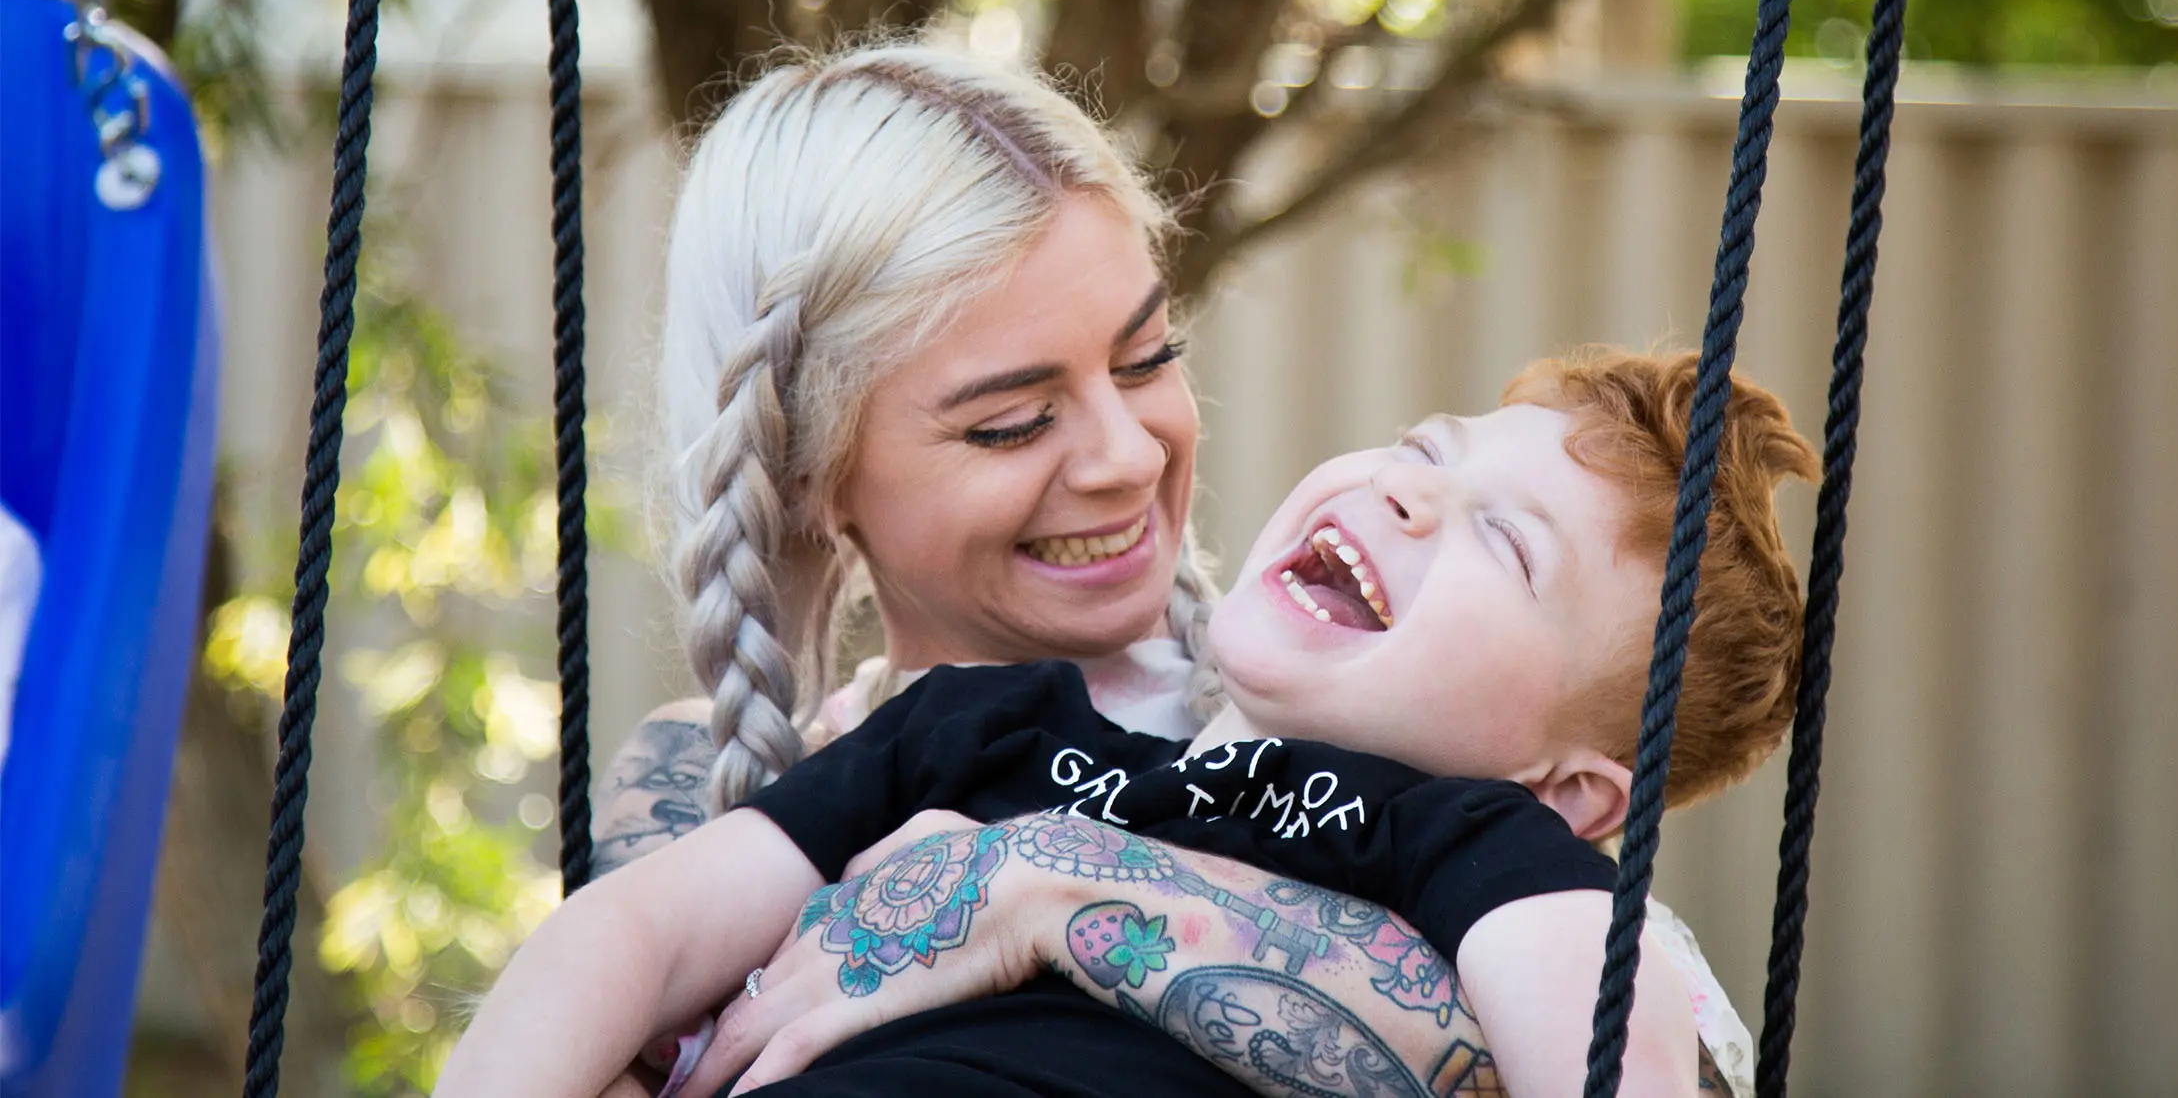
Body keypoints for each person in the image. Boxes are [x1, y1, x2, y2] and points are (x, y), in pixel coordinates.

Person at [593, 42, 1757, 1095]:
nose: (1127, 452)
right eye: (1009, 420)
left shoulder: (1378, 759)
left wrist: (1051, 879)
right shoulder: (701, 778)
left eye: (1149, 356)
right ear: (809, 470)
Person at [443, 349, 1817, 1098]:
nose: (1406, 499)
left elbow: (1600, 1037)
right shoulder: (988, 726)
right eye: (1422, 452)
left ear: (1565, 790)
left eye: (1504, 545)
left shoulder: (1463, 841)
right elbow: (630, 932)